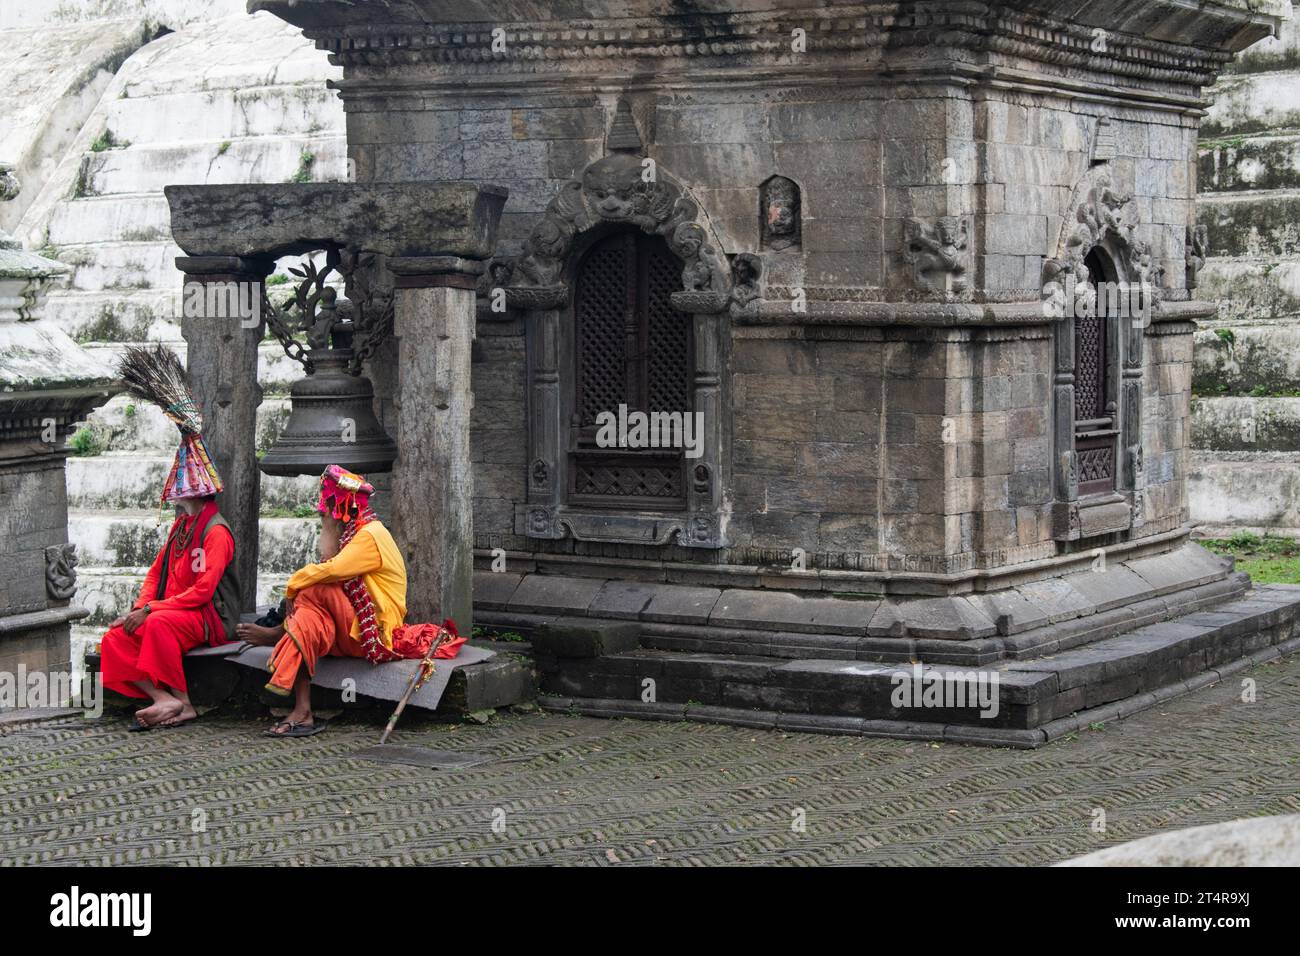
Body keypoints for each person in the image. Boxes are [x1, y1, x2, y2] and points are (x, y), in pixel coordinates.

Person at [100, 343, 239, 729]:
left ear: (196, 493)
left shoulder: (217, 533)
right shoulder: (181, 528)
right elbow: (154, 573)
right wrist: (139, 607)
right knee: (115, 637)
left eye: (181, 491)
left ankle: (184, 702)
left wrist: (152, 611)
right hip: (171, 611)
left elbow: (203, 592)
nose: (175, 496)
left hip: (207, 617)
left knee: (158, 625)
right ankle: (161, 699)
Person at [237, 465, 407, 737]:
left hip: (373, 635)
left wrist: (293, 585)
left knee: (309, 593)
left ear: (340, 507)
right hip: (348, 628)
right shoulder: (353, 532)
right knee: (309, 620)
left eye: (325, 507)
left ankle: (279, 635)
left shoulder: (370, 535)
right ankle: (302, 711)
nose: (322, 513)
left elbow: (332, 570)